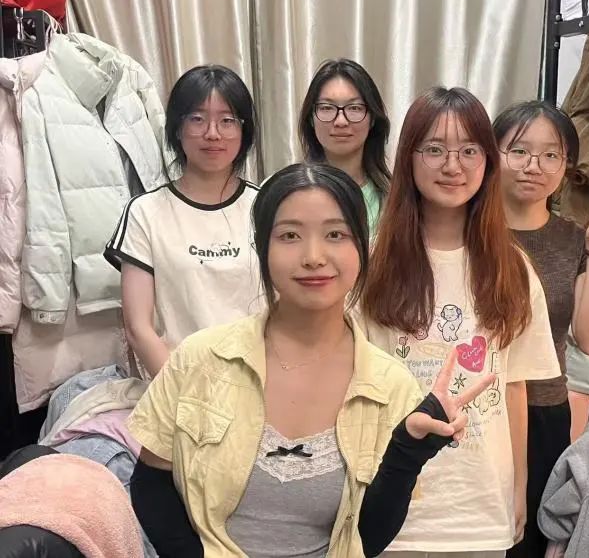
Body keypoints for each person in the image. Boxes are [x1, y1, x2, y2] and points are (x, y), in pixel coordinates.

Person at [127, 163, 494, 558]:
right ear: (262, 248)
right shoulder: (199, 359)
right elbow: (151, 485)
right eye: (290, 235)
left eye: (335, 234)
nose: (314, 256)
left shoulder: (390, 385)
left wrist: (408, 453)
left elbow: (365, 539)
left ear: (361, 247)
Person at [360, 87, 561, 557]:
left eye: (469, 150)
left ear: (488, 162)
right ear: (408, 159)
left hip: (480, 504)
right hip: (394, 503)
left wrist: (518, 489)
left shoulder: (513, 269)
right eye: (434, 149)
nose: (453, 166)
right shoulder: (371, 264)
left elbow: (514, 386)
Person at [493, 100, 589, 557]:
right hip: (479, 412)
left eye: (550, 155)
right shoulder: (469, 231)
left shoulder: (574, 238)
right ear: (493, 154)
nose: (534, 166)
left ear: (566, 165)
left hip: (543, 412)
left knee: (529, 541)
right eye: (519, 151)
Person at [105, 65, 260, 379]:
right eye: (197, 119)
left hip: (258, 380)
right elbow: (138, 328)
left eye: (227, 120)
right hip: (177, 383)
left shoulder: (267, 207)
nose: (212, 133)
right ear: (177, 128)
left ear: (244, 131)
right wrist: (184, 394)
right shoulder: (145, 212)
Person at [298, 58, 391, 236]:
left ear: (372, 118)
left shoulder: (395, 200)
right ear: (310, 118)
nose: (341, 121)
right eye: (327, 108)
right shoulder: (286, 193)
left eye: (354, 108)